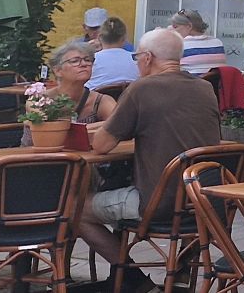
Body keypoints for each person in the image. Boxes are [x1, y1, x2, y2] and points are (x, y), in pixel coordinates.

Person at [78, 28, 219, 293]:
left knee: (75, 210)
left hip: (157, 203)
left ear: (147, 57)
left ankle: (135, 280)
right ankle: (178, 274)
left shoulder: (142, 89)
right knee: (124, 191)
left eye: (136, 58)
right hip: (202, 200)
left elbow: (102, 145)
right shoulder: (205, 88)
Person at [46, 40, 117, 124]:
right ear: (58, 70)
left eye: (87, 60)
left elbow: (121, 124)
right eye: (75, 61)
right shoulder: (42, 100)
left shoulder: (101, 101)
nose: (84, 64)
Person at [168, 8, 227, 75]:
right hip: (216, 81)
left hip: (190, 81)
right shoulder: (217, 43)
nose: (173, 31)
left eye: (175, 27)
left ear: (189, 26)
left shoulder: (180, 44)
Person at [88, 16, 139, 90]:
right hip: (131, 97)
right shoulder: (138, 59)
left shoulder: (89, 61)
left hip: (96, 96)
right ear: (124, 38)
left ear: (99, 37)